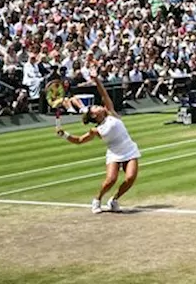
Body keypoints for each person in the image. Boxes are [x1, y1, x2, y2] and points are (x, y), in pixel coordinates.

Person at [55, 73, 140, 213]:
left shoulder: (111, 112)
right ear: (94, 115)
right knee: (110, 180)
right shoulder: (96, 130)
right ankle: (97, 199)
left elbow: (104, 94)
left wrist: (96, 80)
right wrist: (64, 135)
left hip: (129, 149)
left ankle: (114, 200)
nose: (98, 106)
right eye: (94, 107)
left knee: (130, 178)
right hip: (114, 153)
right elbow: (79, 141)